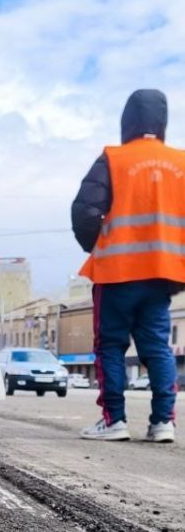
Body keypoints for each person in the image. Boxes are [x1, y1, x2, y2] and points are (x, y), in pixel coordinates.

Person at [71, 89, 185, 443]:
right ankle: (163, 422)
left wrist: (96, 245)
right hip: (162, 273)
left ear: (128, 120)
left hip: (117, 273)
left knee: (110, 346)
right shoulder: (181, 162)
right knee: (157, 348)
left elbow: (85, 210)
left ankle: (114, 421)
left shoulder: (113, 158)